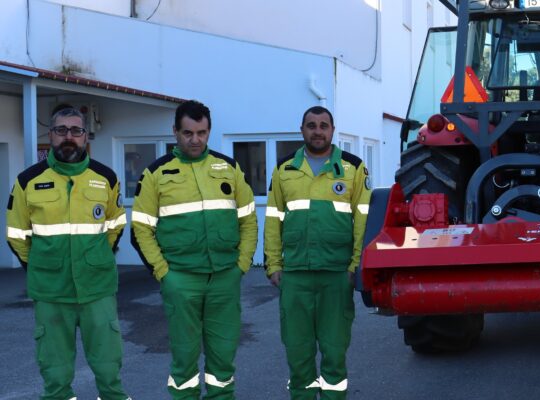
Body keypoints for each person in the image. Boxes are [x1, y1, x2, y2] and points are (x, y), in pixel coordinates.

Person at [130, 100, 257, 399]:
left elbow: (248, 219)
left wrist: (241, 265)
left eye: (201, 132)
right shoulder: (156, 174)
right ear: (175, 131)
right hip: (181, 279)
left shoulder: (229, 168)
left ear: (209, 131)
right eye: (188, 132)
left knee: (223, 360)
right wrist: (163, 273)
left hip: (225, 277)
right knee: (184, 362)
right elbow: (141, 229)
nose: (195, 139)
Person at [7, 106, 130, 400]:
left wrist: (96, 260)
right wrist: (40, 266)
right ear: (50, 135)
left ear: (86, 136)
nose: (69, 137)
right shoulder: (28, 181)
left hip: (97, 289)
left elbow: (115, 227)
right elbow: (16, 235)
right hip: (51, 293)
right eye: (61, 130)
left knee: (109, 370)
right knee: (56, 375)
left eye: (76, 130)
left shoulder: (106, 177)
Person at [265, 106, 372, 399]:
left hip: (337, 275)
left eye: (323, 125)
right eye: (311, 125)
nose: (317, 131)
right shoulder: (284, 169)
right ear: (302, 130)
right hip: (295, 276)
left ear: (332, 130)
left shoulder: (353, 168)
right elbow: (273, 219)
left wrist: (356, 266)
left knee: (334, 355)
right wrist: (273, 264)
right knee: (298, 357)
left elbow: (363, 221)